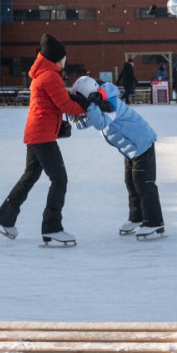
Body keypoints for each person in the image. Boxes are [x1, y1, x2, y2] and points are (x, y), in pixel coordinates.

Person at [0, 34, 86, 245]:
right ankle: (52, 227)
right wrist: (88, 106)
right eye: (64, 57)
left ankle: (6, 219)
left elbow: (61, 102)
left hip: (36, 133)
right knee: (59, 179)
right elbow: (66, 106)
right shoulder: (50, 76)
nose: (65, 61)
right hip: (42, 135)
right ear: (58, 58)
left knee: (30, 176)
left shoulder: (43, 74)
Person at [68, 76, 165, 240]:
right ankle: (137, 218)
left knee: (144, 184)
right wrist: (72, 111)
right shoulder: (96, 105)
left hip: (142, 143)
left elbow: (100, 123)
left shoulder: (112, 103)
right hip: (130, 149)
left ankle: (154, 222)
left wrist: (90, 106)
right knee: (131, 183)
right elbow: (80, 125)